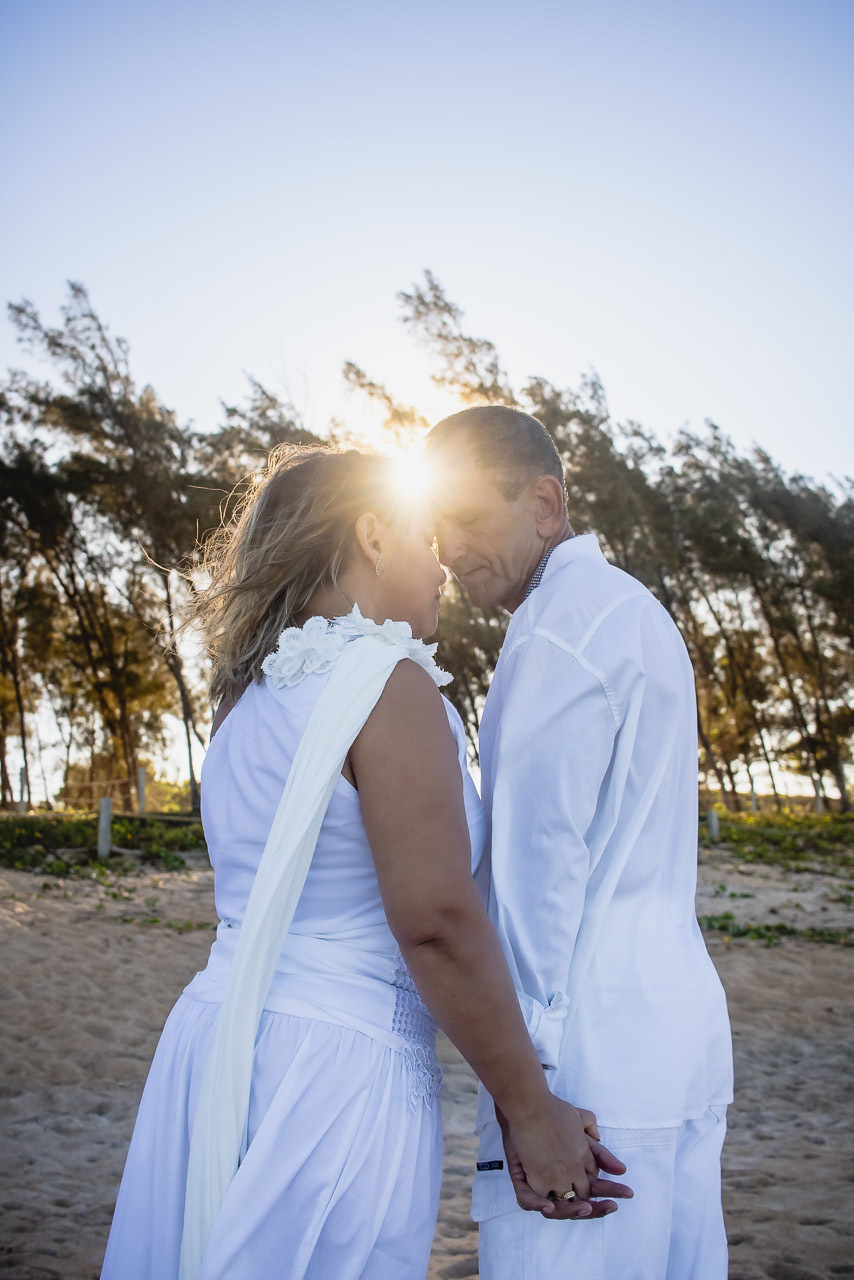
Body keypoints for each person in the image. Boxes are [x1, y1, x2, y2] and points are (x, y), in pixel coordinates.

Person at [100, 445, 630, 1280]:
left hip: (214, 1049)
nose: (442, 568)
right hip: (331, 1077)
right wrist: (531, 1110)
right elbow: (435, 921)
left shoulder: (247, 695)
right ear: (375, 536)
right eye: (424, 537)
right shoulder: (390, 684)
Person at [424, 406, 734, 1280]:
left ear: (546, 506)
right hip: (679, 1040)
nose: (447, 547)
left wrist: (534, 1097)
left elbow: (539, 876)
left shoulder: (554, 634)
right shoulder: (637, 613)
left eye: (469, 519)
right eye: (435, 526)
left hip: (589, 1078)